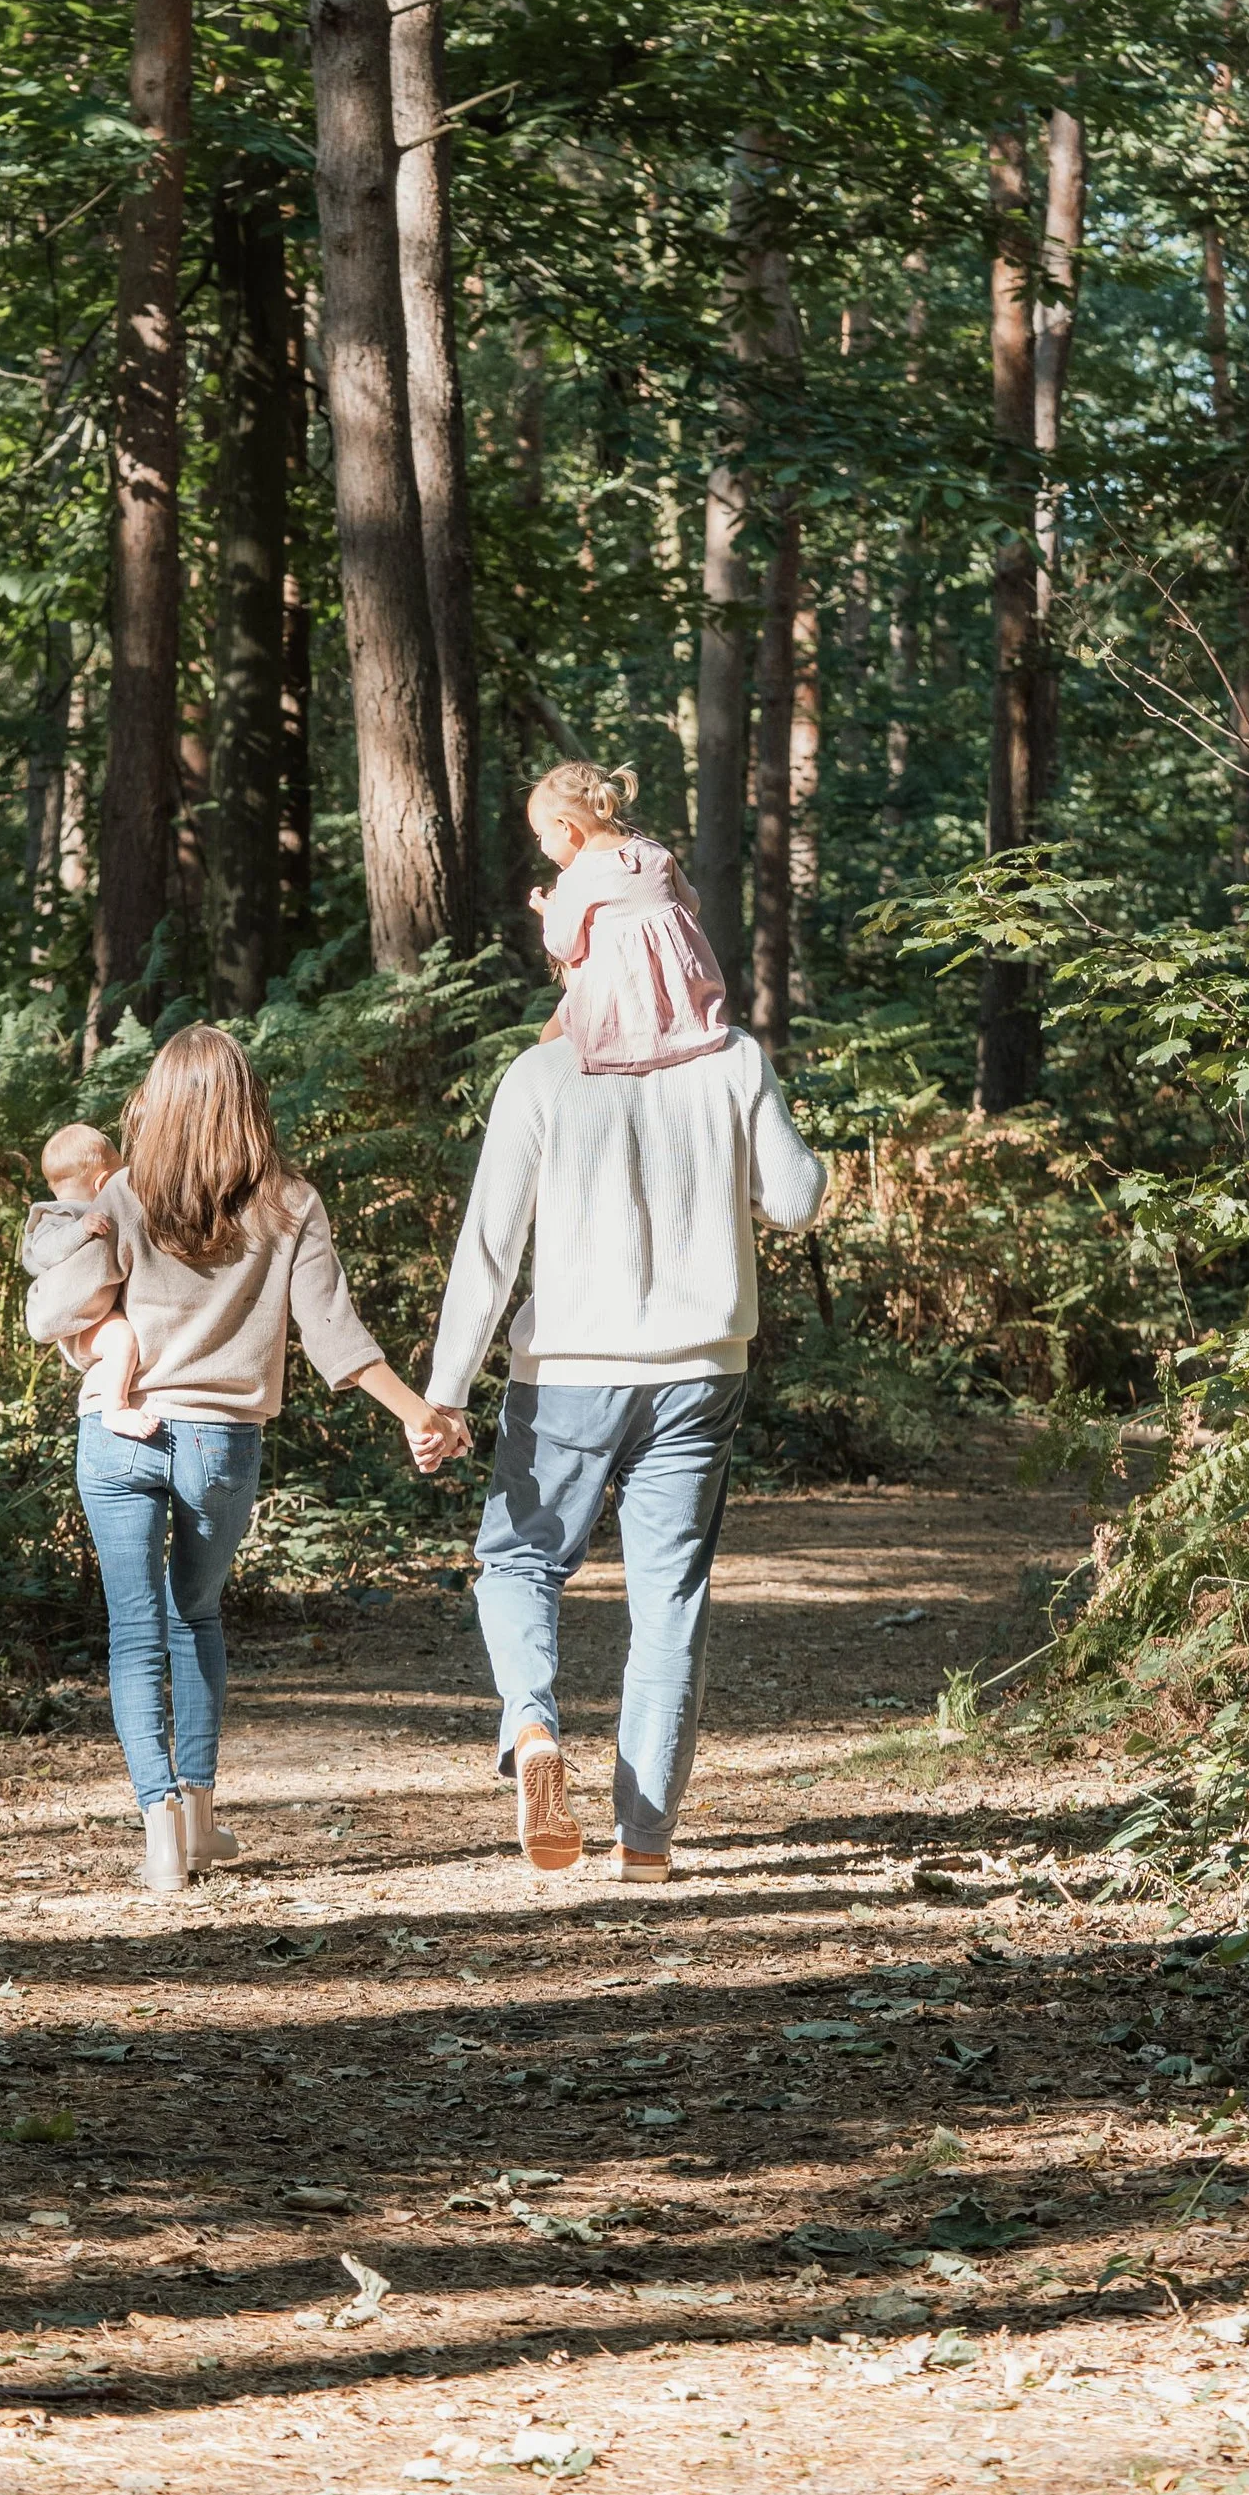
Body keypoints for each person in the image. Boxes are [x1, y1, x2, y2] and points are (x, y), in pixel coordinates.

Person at [23, 1026, 455, 1898]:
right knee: (197, 1615)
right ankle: (202, 1815)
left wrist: (84, 1266)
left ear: (158, 1102)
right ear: (248, 1103)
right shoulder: (290, 1202)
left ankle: (159, 1835)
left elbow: (56, 1314)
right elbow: (337, 1339)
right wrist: (423, 1415)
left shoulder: (124, 1195)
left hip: (118, 1433)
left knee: (135, 1628)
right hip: (219, 1440)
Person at [424, 1001, 823, 1884]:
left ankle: (532, 1732)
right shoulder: (732, 1057)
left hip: (564, 1372)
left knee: (521, 1564)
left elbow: (489, 1245)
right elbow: (796, 1199)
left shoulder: (542, 1073)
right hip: (699, 1369)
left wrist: (447, 1390)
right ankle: (643, 1840)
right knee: (669, 1599)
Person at [528, 757, 730, 1074]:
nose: (541, 847)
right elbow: (691, 905)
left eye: (540, 835)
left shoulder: (576, 879)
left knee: (547, 1041)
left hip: (618, 1013)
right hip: (683, 1007)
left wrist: (547, 912)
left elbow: (565, 948)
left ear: (566, 828)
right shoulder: (655, 853)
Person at [22, 1123, 159, 1435]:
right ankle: (116, 1410)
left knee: (122, 1337)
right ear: (104, 1183)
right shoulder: (56, 1215)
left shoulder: (91, 1214)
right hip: (76, 1328)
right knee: (122, 1339)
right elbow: (43, 1251)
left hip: (92, 1315)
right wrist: (80, 1229)